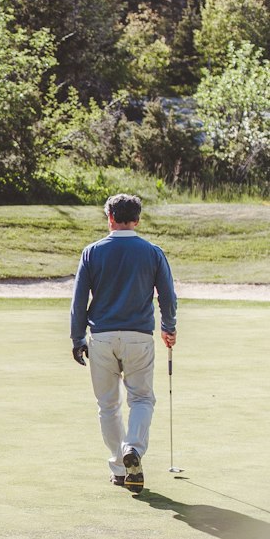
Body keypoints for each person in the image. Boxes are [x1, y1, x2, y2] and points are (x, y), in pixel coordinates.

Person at [70, 193, 177, 494]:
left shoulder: (92, 252)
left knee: (108, 405)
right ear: (137, 220)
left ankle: (120, 467)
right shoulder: (153, 252)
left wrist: (77, 337)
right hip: (139, 336)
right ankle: (134, 449)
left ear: (110, 218)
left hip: (101, 337)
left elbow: (79, 300)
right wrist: (169, 327)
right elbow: (167, 297)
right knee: (141, 399)